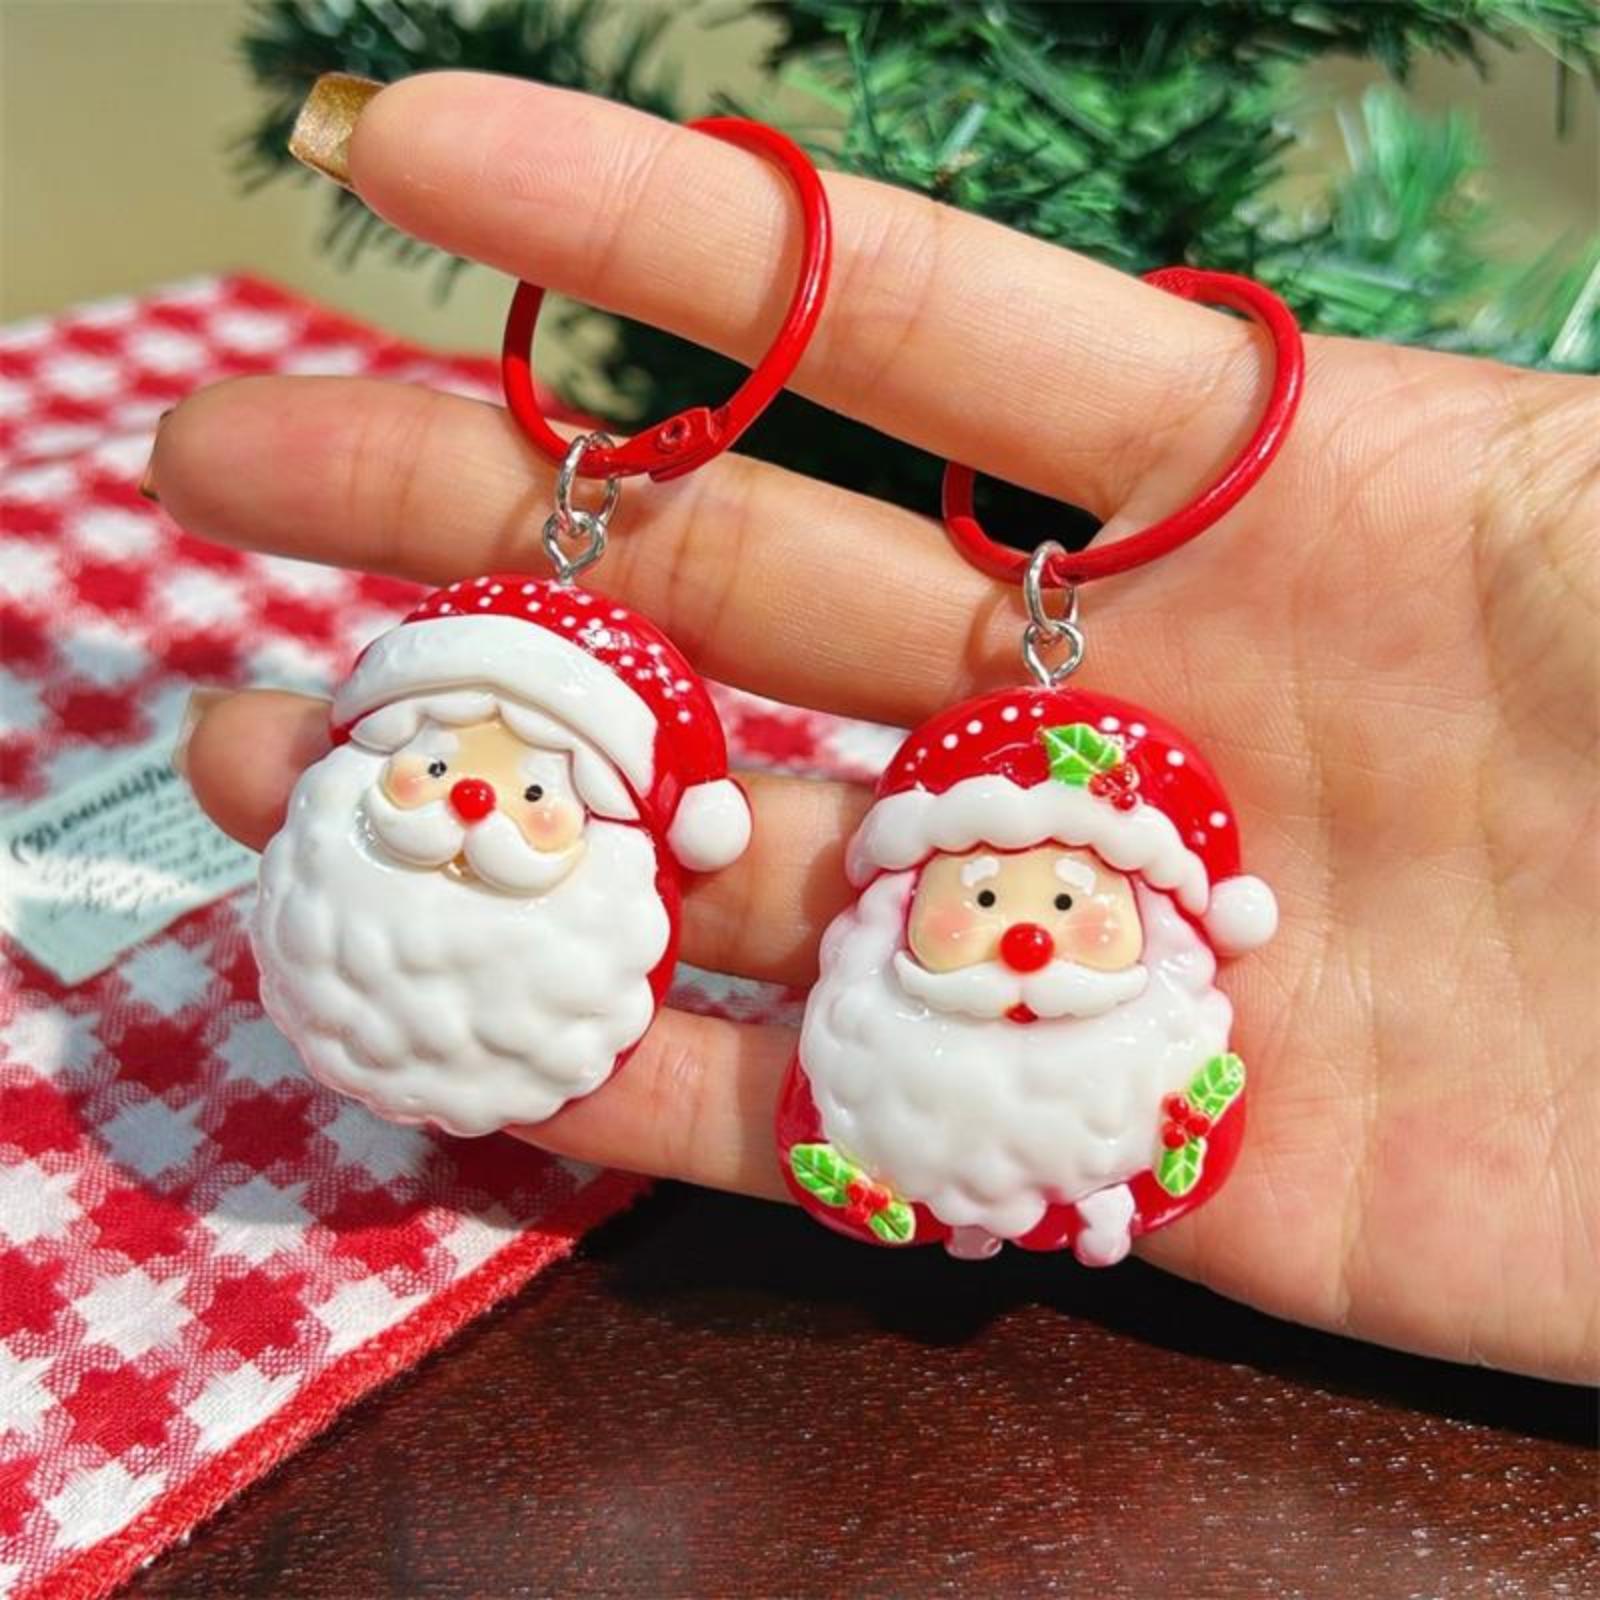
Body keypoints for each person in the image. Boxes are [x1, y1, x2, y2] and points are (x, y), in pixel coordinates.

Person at [144, 73, 1598, 1385]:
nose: (1021, 942)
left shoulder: (1131, 1053)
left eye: (1059, 909)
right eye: (990, 901)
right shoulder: (837, 1031)